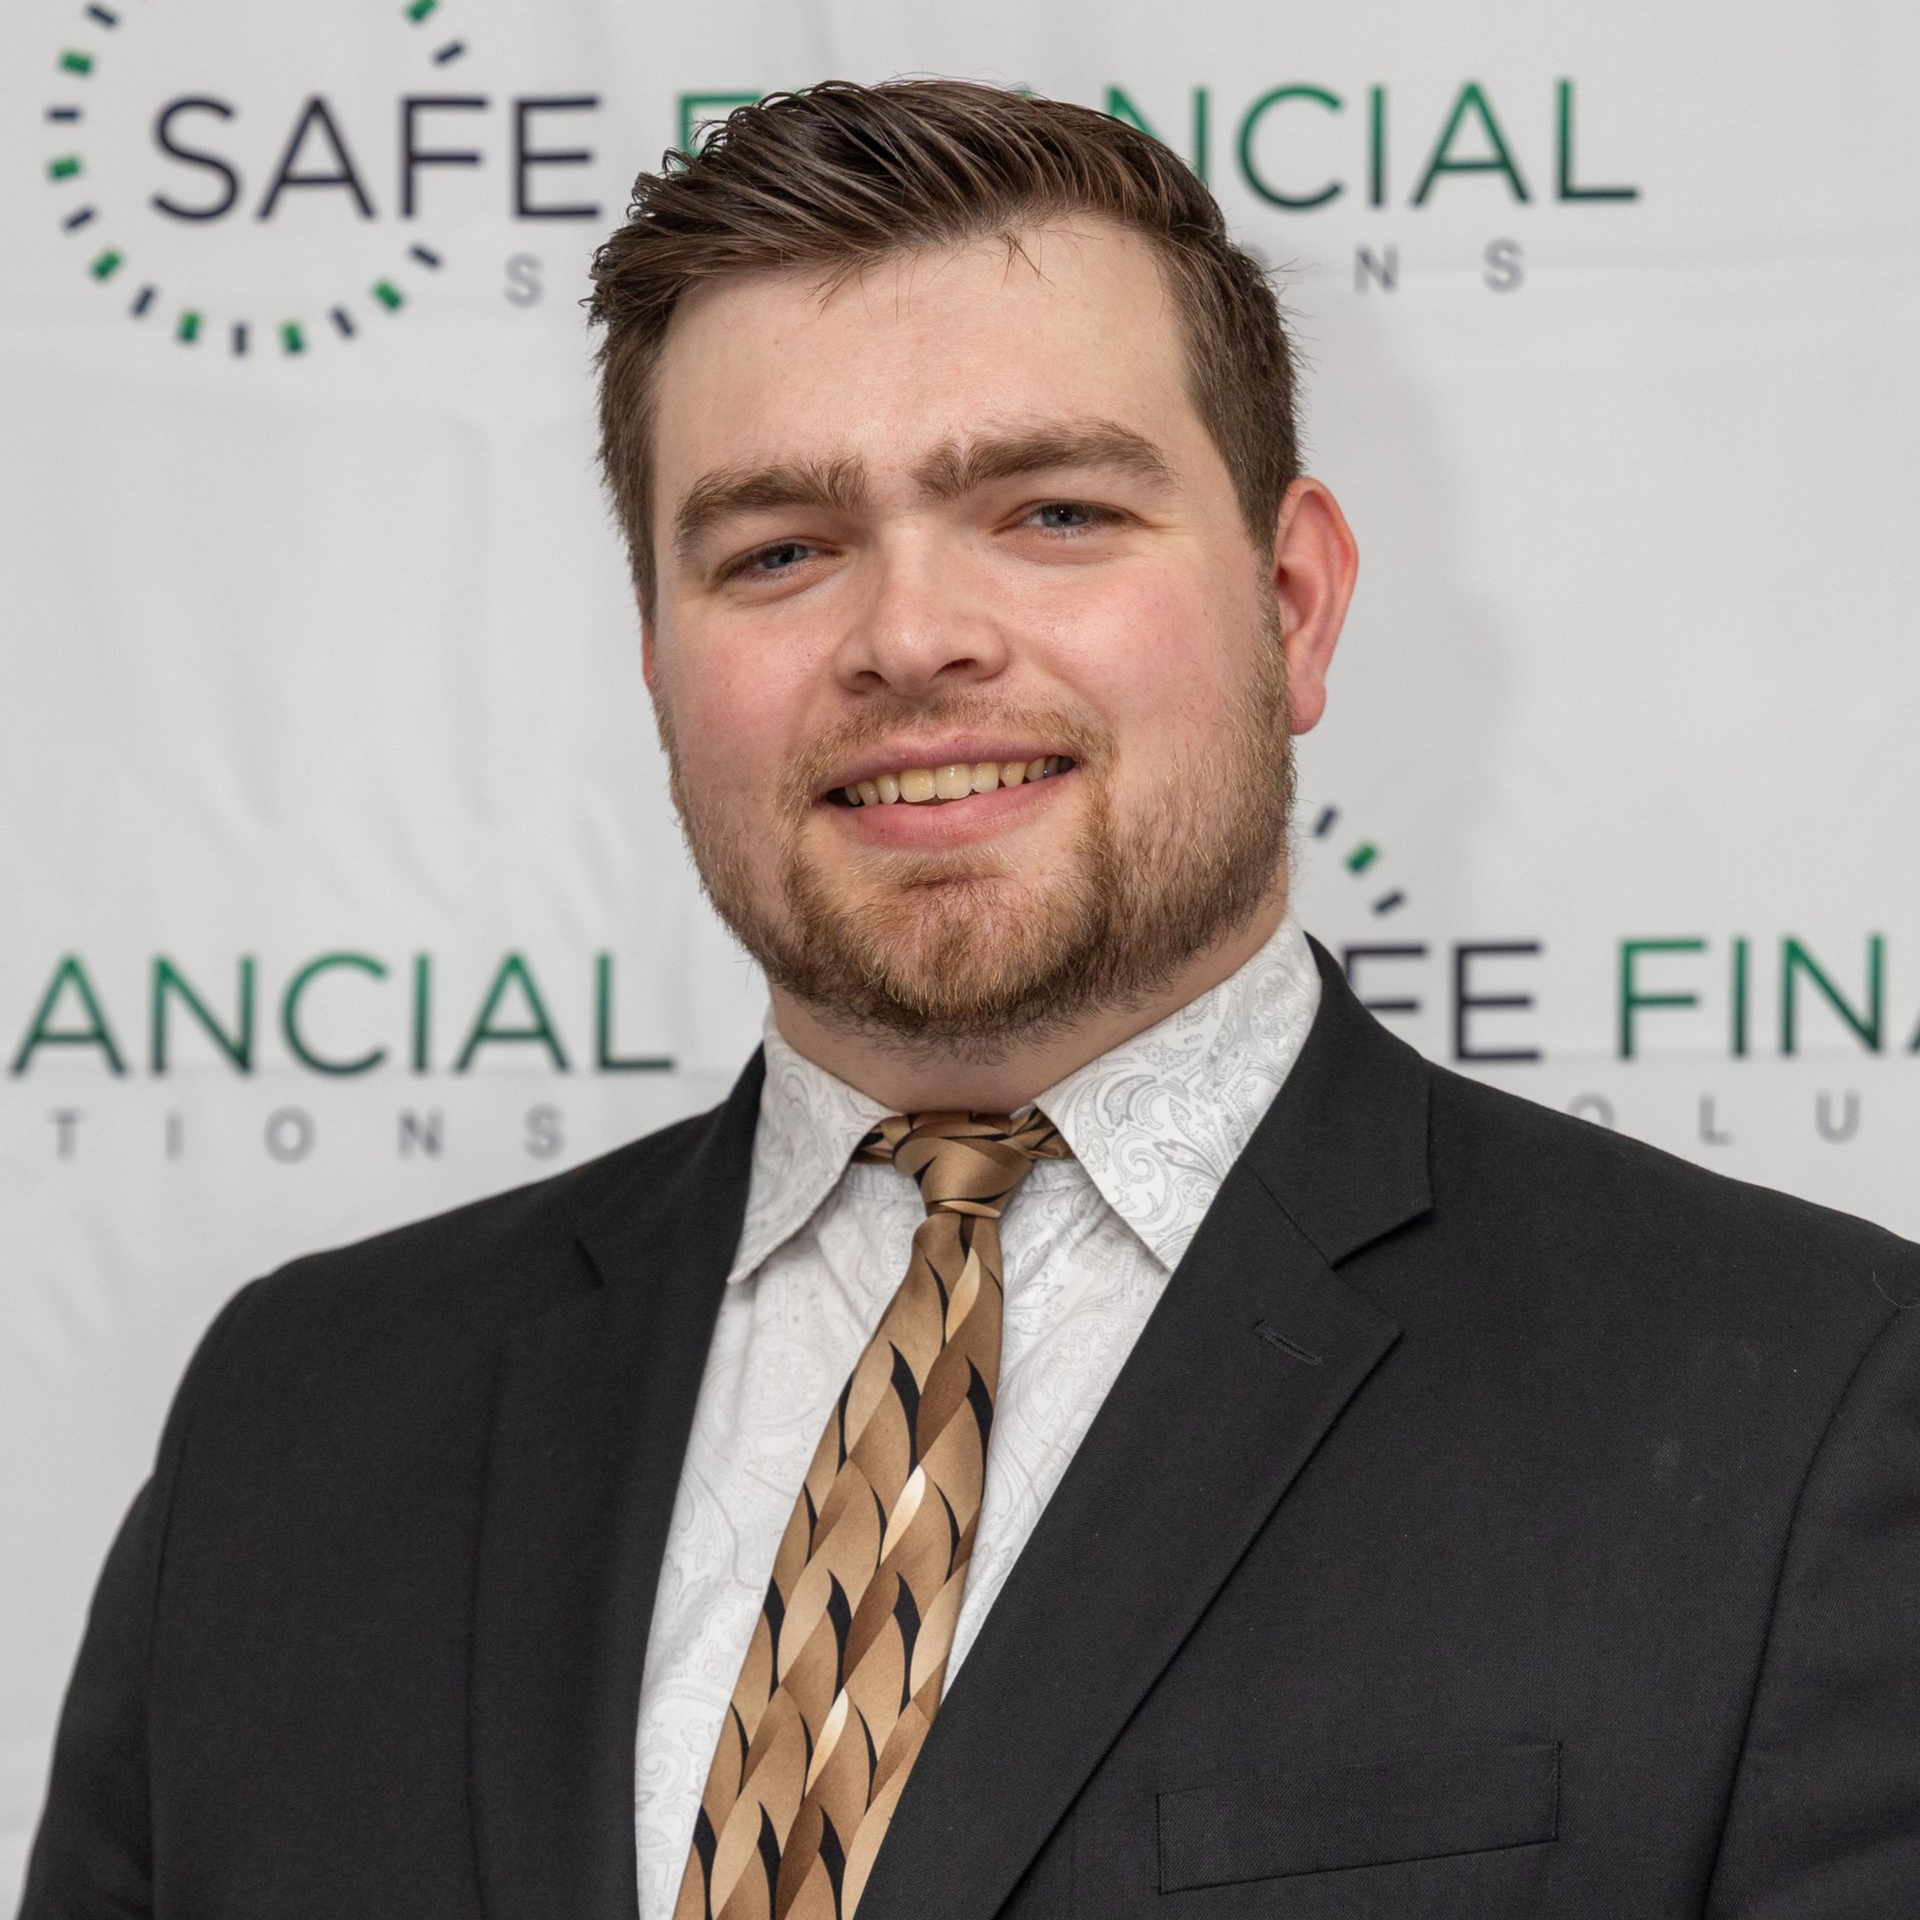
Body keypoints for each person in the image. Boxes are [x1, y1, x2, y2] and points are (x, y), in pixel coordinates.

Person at [20, 78, 1920, 1920]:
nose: (912, 636)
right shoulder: (304, 1419)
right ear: (662, 659)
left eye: (1054, 513)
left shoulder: (1813, 1408)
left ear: (1297, 605)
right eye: (779, 551)